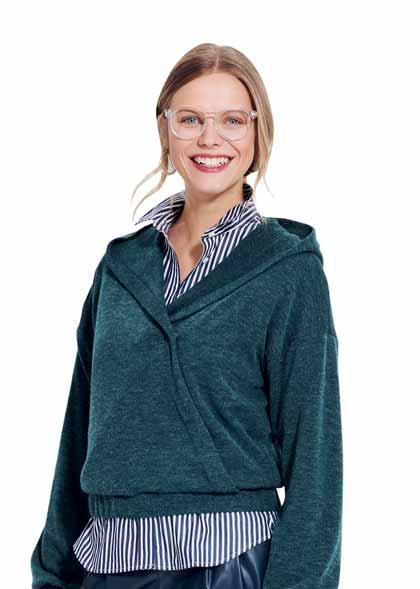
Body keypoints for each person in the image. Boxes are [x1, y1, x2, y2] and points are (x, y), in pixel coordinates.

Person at [31, 43, 343, 589]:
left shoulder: (287, 273)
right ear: (165, 129)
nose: (210, 139)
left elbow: (315, 458)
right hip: (107, 561)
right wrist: (52, 573)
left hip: (230, 563)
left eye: (232, 121)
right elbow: (79, 431)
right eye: (191, 119)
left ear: (258, 133)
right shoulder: (119, 268)